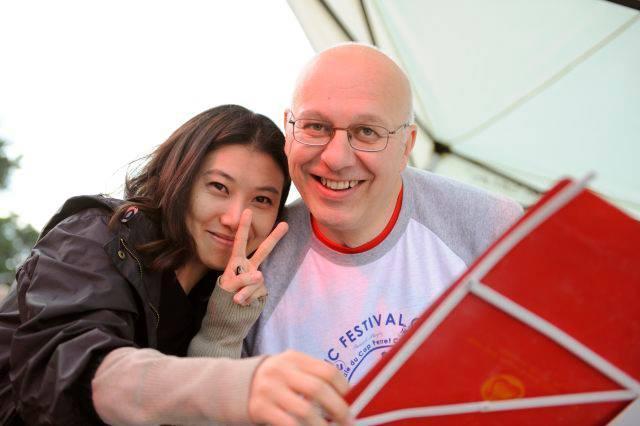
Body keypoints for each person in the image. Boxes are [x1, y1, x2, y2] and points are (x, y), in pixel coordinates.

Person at [190, 44, 524, 386]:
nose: (336, 158)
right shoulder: (252, 258)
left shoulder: (491, 227)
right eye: (316, 126)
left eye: (367, 132)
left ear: (407, 145)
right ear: (288, 131)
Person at [0, 104, 350, 426]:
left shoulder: (224, 289)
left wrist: (220, 332)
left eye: (261, 199)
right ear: (179, 177)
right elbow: (72, 373)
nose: (235, 217)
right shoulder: (95, 236)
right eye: (218, 187)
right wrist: (240, 386)